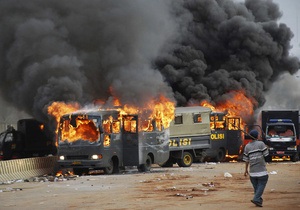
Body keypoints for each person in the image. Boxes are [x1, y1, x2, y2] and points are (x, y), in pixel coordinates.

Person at [243, 129, 269, 207]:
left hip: (253, 173)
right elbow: (266, 155)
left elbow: (246, 160)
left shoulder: (247, 146)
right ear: (257, 136)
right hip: (262, 172)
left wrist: (246, 170)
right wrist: (266, 147)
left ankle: (258, 201)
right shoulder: (261, 144)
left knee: (257, 188)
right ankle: (256, 199)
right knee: (261, 185)